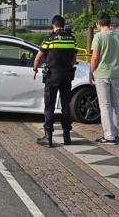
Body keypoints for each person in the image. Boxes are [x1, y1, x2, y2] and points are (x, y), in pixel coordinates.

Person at [33, 15, 77, 147]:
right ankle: (67, 137)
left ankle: (48, 137)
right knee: (65, 105)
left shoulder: (49, 38)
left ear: (53, 25)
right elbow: (74, 59)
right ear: (63, 25)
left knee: (50, 105)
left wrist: (35, 68)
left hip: (52, 76)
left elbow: (38, 56)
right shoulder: (72, 39)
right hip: (67, 75)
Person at [90, 13, 119, 145]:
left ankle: (109, 136)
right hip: (116, 74)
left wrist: (91, 72)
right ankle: (115, 133)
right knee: (115, 104)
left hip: (102, 74)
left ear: (98, 24)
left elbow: (95, 57)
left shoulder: (98, 36)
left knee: (105, 106)